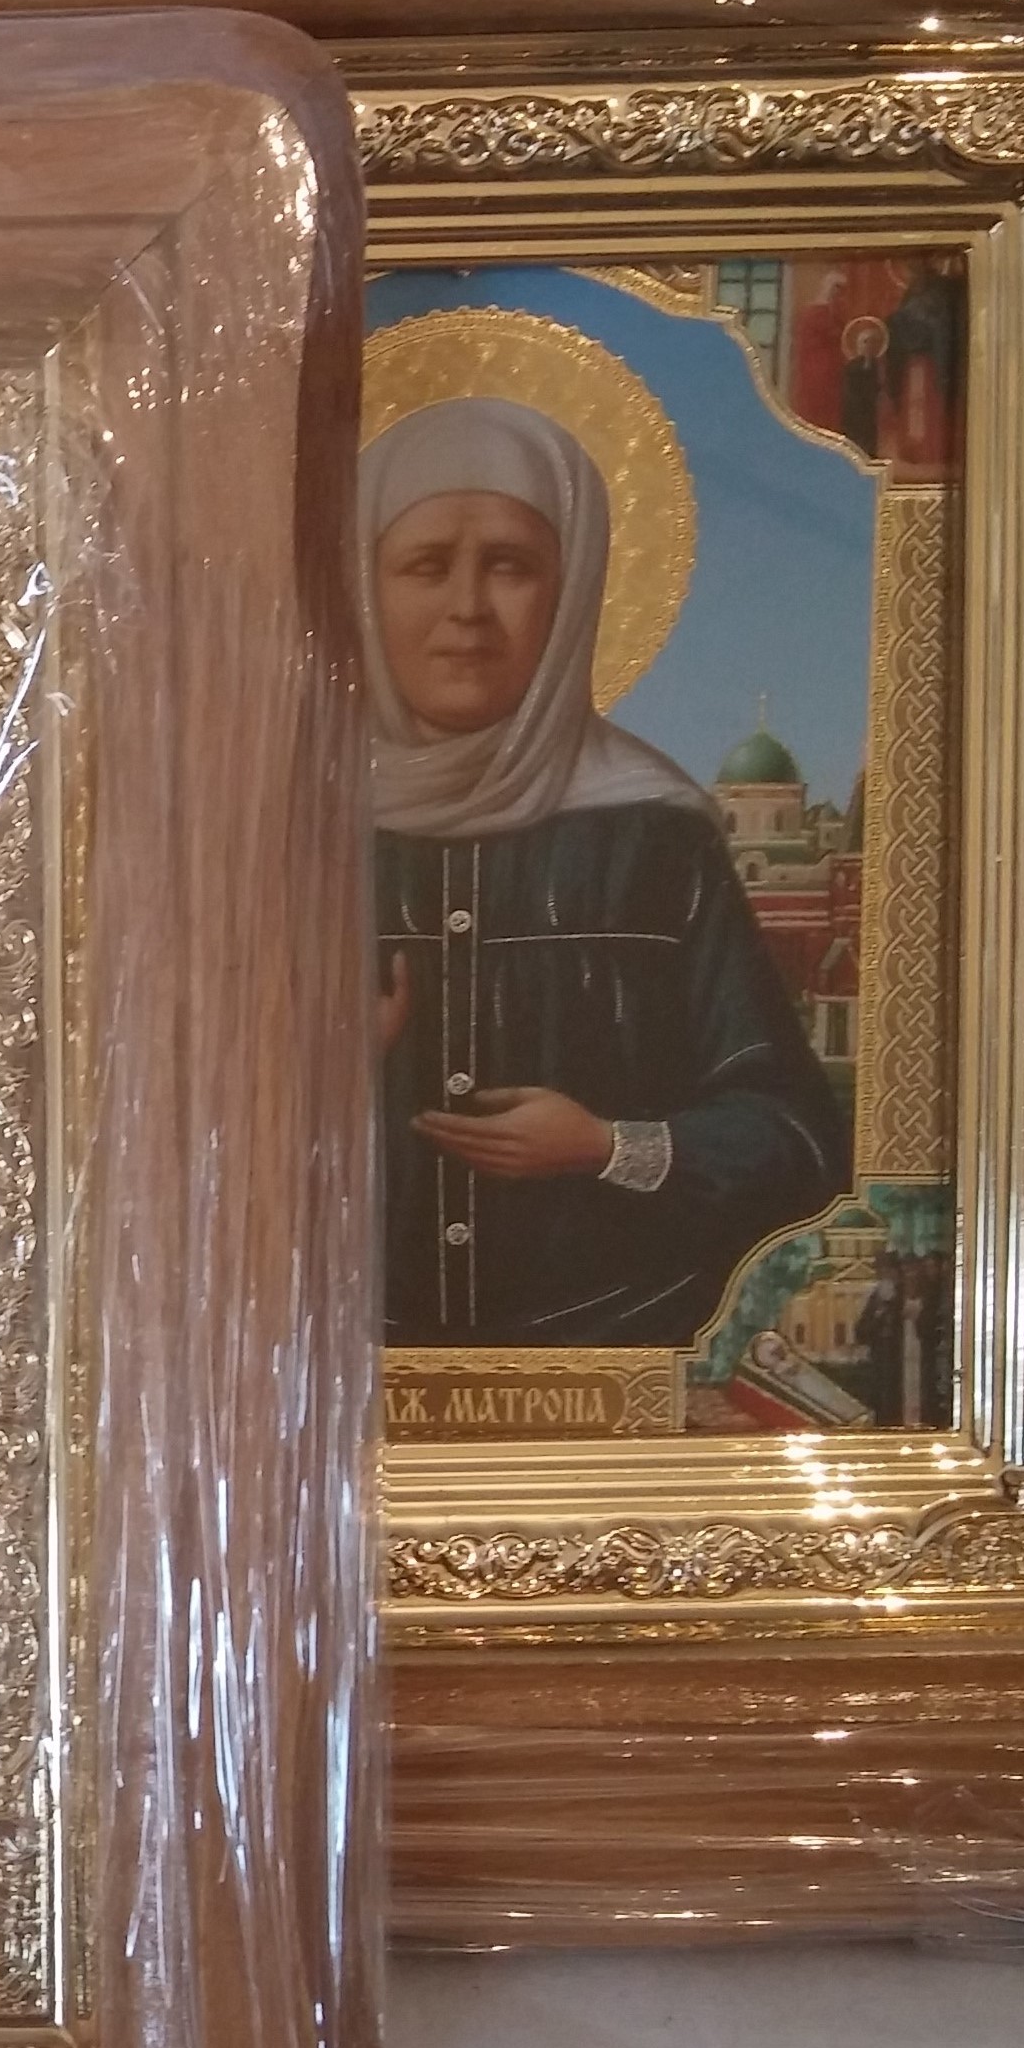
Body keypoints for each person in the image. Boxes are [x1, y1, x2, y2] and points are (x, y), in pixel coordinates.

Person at [364, 397, 847, 1346]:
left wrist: (610, 1147)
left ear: (573, 589)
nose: (468, 608)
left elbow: (795, 1140)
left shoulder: (656, 835)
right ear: (362, 584)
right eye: (426, 565)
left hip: (616, 1339)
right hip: (337, 1360)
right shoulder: (287, 835)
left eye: (510, 565)